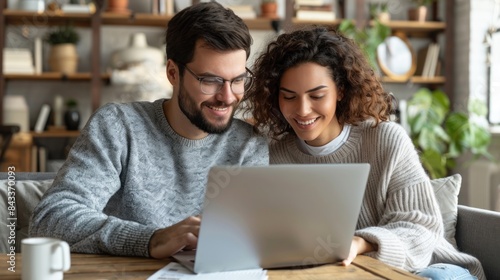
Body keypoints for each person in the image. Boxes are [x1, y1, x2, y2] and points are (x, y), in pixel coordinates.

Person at [29, 2, 269, 259]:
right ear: (173, 73)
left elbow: (256, 235)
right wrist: (150, 240)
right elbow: (50, 219)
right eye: (210, 81)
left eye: (238, 80)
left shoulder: (248, 144)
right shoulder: (118, 127)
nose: (227, 96)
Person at [246, 26, 485, 279]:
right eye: (289, 97)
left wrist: (360, 243)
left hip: (428, 268)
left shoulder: (386, 140)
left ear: (340, 91)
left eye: (316, 95)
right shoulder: (272, 154)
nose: (303, 110)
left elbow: (421, 230)